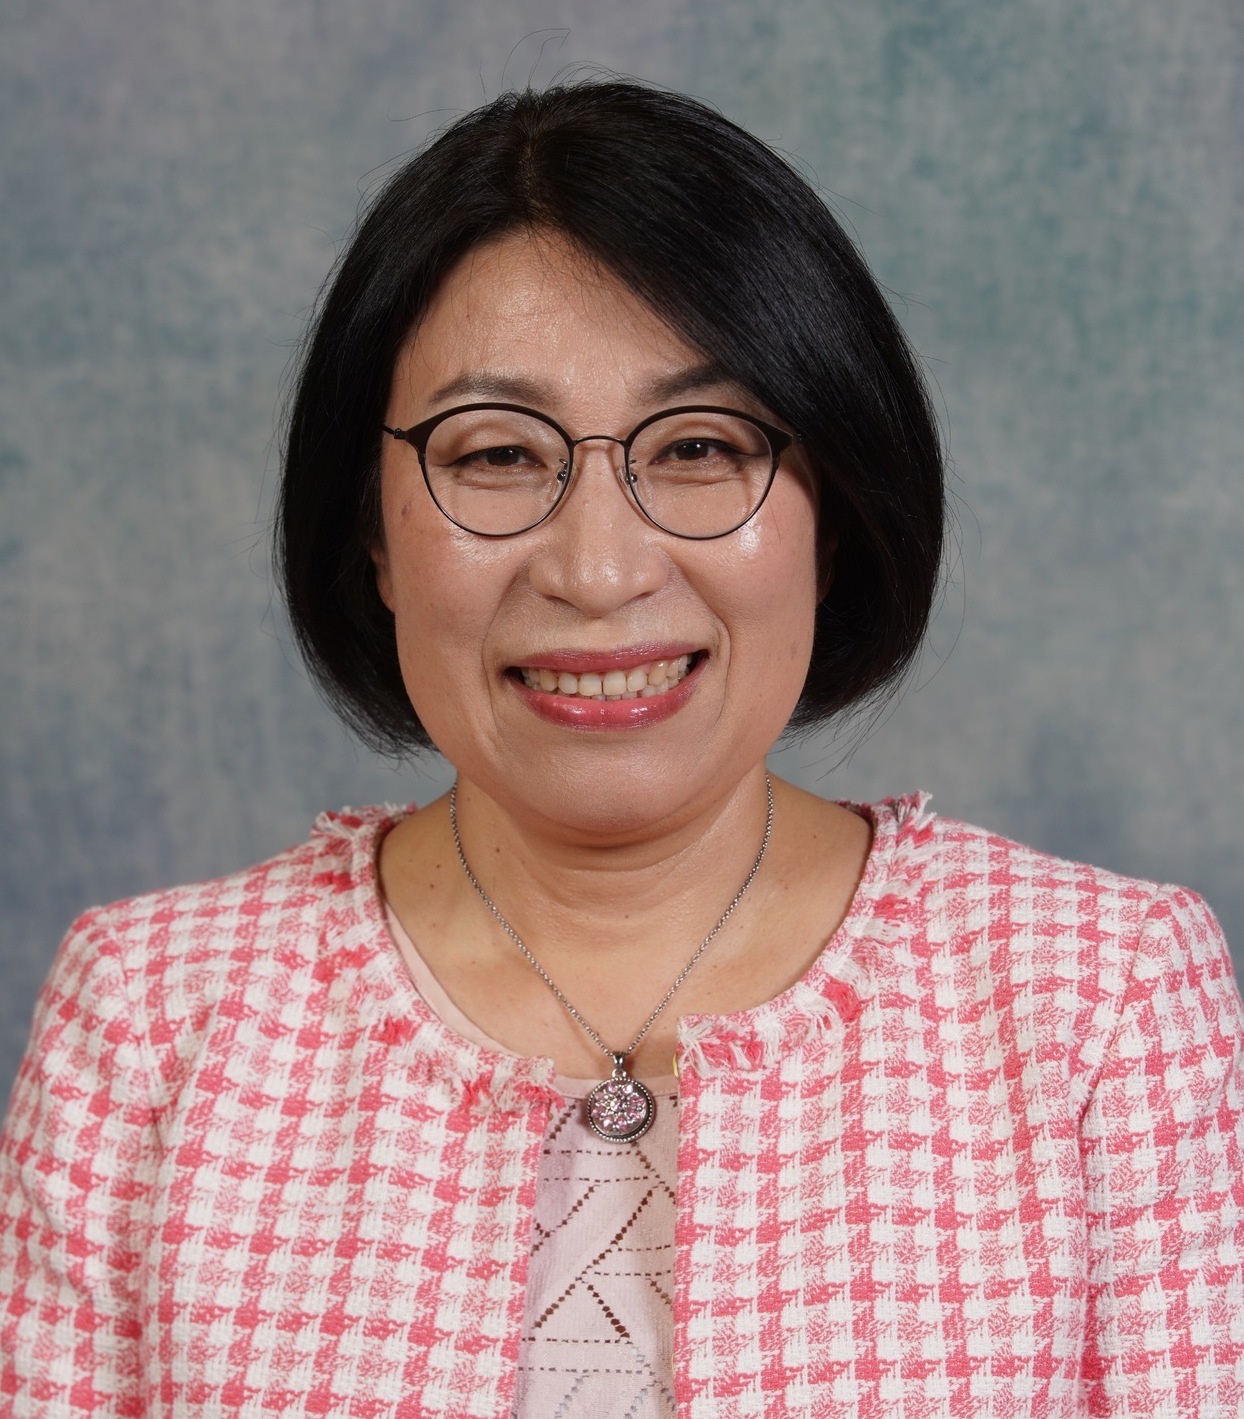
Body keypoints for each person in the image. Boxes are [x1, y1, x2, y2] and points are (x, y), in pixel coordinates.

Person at [1, 80, 1241, 1419]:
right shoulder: (152, 1023)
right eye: (495, 455)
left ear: (832, 514)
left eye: (700, 445)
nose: (598, 571)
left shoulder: (1100, 1003)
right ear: (371, 535)